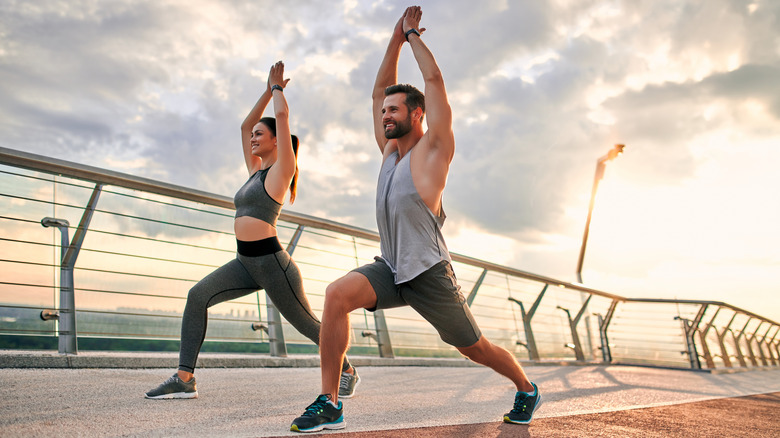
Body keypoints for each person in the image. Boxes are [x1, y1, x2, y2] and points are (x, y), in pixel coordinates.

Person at [290, 7, 541, 433]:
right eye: (385, 110)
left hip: (428, 272)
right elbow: (376, 94)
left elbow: (435, 83)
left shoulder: (433, 153)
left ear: (418, 114)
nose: (385, 115)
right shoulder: (389, 153)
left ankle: (526, 388)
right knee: (336, 295)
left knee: (474, 348)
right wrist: (393, 40)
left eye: (394, 110)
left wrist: (412, 36)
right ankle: (330, 403)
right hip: (391, 267)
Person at [144, 61, 359, 400]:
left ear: (277, 140)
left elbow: (283, 119)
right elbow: (245, 126)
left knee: (308, 326)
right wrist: (264, 89)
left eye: (262, 134)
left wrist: (278, 90)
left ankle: (347, 369)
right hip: (244, 262)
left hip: (273, 266)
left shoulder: (280, 171)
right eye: (256, 135)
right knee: (197, 295)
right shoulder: (255, 171)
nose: (254, 138)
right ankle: (184, 378)